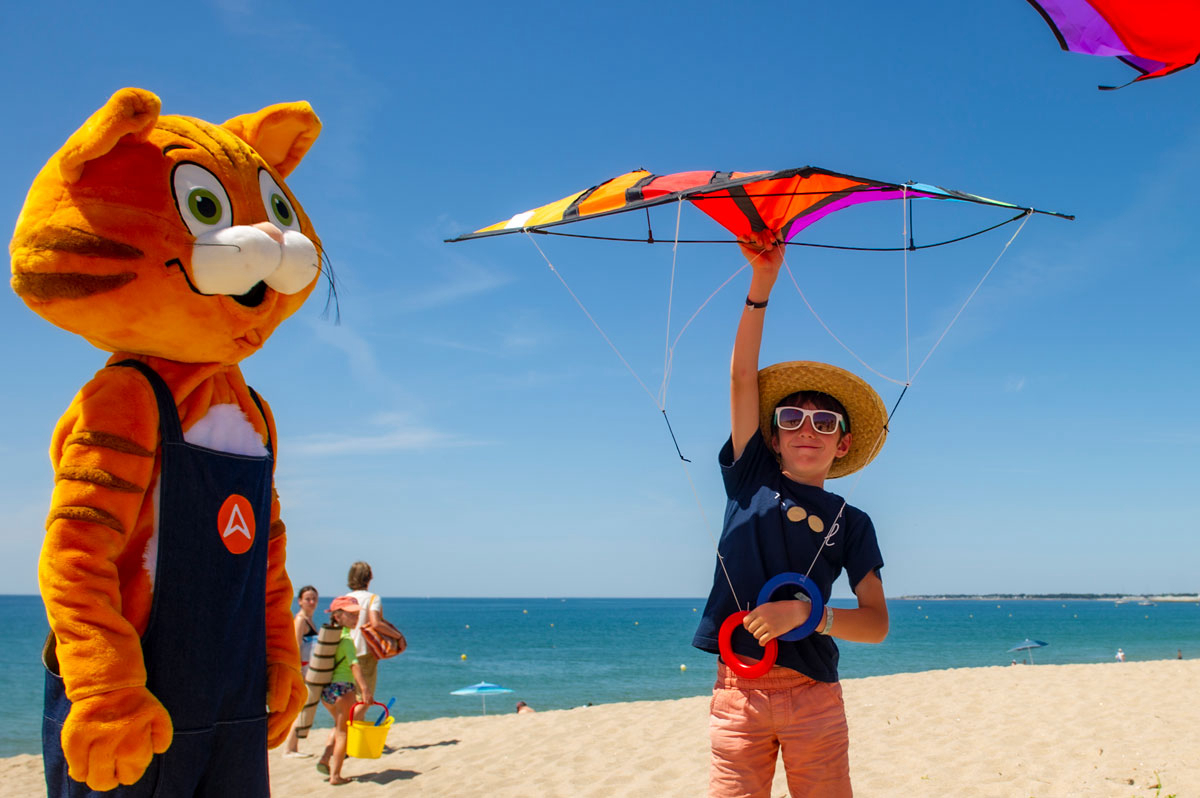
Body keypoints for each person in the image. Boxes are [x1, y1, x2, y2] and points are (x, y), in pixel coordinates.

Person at [692, 234, 890, 798]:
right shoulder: (751, 475)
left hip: (814, 695)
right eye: (793, 418)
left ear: (844, 445)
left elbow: (875, 624)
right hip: (737, 693)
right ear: (772, 437)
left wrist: (808, 616)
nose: (809, 428)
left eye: (825, 423)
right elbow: (740, 381)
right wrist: (761, 284)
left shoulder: (854, 522)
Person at [316, 596, 372, 786]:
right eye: (351, 615)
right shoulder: (346, 639)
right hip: (343, 690)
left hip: (327, 691)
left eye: (356, 614)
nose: (355, 618)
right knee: (343, 733)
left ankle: (325, 757)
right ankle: (336, 775)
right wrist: (364, 689)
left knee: (339, 724)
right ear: (337, 616)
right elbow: (354, 665)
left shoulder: (329, 637)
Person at [284, 585, 320, 758]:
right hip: (302, 671)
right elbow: (295, 646)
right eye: (308, 599)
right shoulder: (300, 620)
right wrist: (298, 672)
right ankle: (290, 748)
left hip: (309, 670)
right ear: (300, 601)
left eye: (314, 598)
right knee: (301, 708)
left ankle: (293, 747)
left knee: (303, 707)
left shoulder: (309, 620)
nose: (312, 602)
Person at [345, 562, 385, 711]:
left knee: (349, 701)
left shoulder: (345, 598)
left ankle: (343, 732)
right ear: (369, 577)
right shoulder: (373, 598)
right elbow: (376, 623)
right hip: (364, 651)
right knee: (364, 700)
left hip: (344, 652)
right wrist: (397, 636)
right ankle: (344, 730)